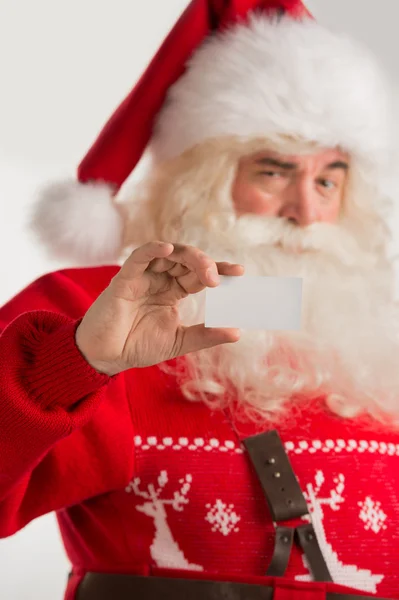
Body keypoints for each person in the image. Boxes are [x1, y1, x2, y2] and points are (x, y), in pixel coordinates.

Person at [1, 1, 399, 598]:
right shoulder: (93, 308)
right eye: (273, 172)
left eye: (328, 178)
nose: (307, 212)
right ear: (201, 184)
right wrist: (75, 364)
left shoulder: (378, 340)